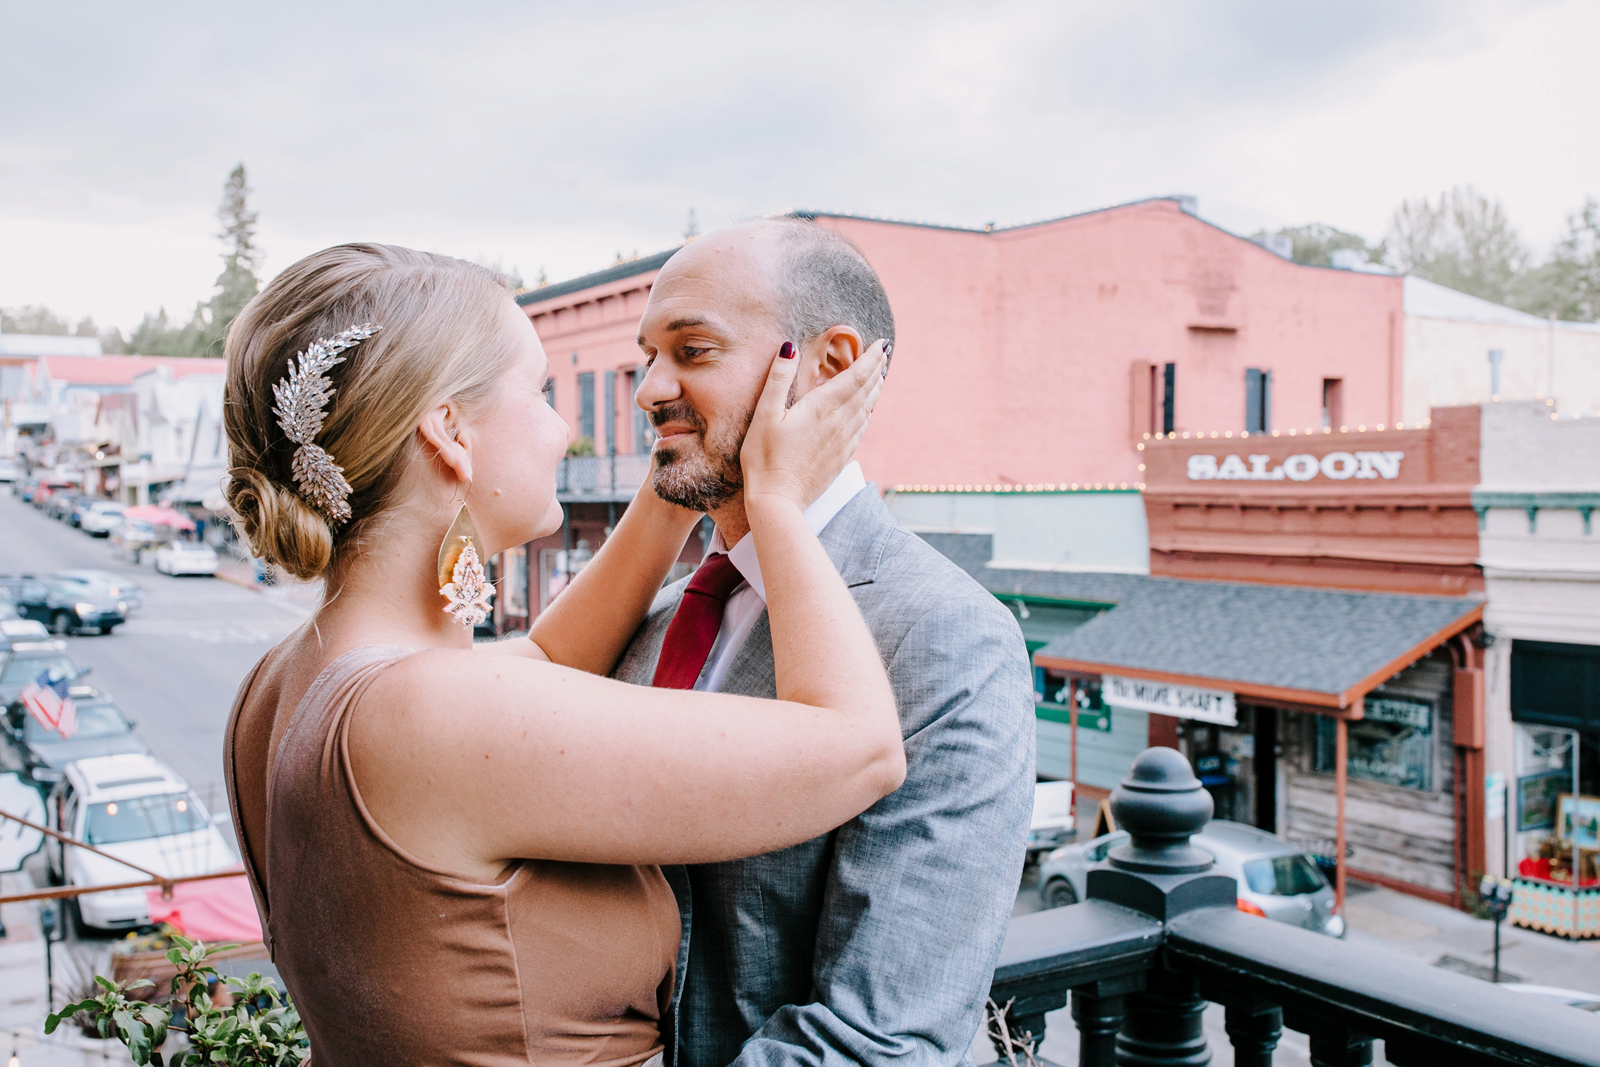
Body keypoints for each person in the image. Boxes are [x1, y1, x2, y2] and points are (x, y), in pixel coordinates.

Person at [220, 242, 900, 1067]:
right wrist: (778, 500)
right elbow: (860, 747)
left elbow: (545, 658)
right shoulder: (428, 713)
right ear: (449, 430)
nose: (563, 429)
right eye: (540, 393)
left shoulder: (280, 685)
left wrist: (686, 461)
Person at [617, 217, 1035, 1067]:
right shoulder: (650, 616)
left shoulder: (948, 638)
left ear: (830, 365)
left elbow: (879, 1040)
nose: (649, 390)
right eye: (646, 356)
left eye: (693, 351)